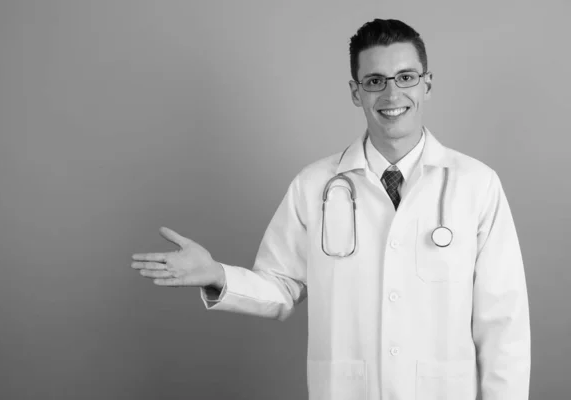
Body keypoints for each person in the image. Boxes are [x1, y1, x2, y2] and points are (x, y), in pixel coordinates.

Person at [131, 19, 531, 400]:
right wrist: (218, 275)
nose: (392, 96)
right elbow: (282, 286)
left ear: (427, 84)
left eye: (406, 77)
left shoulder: (476, 185)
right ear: (356, 92)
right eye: (375, 81)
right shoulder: (314, 185)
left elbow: (503, 322)